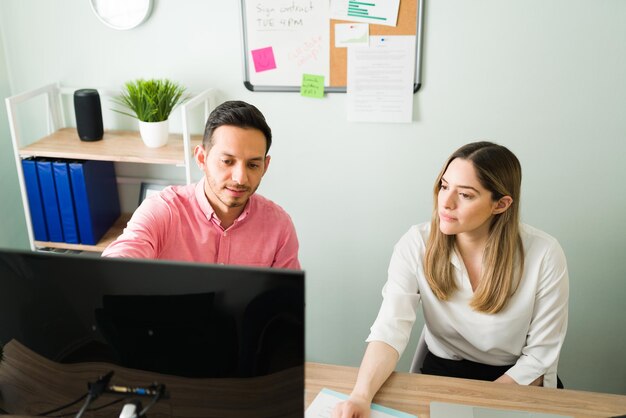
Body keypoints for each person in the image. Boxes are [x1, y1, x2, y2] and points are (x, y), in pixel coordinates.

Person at [333, 141, 568, 418]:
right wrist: (361, 396)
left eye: (466, 195)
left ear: (501, 204)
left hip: (516, 378)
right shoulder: (416, 243)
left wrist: (477, 408)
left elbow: (540, 357)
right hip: (443, 371)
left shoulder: (544, 253)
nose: (446, 202)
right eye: (444, 186)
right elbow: (389, 329)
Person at [102, 100, 300, 269]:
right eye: (227, 161)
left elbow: (285, 304)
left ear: (265, 167)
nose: (241, 178)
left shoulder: (279, 226)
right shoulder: (163, 210)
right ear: (201, 158)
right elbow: (120, 260)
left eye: (253, 165)